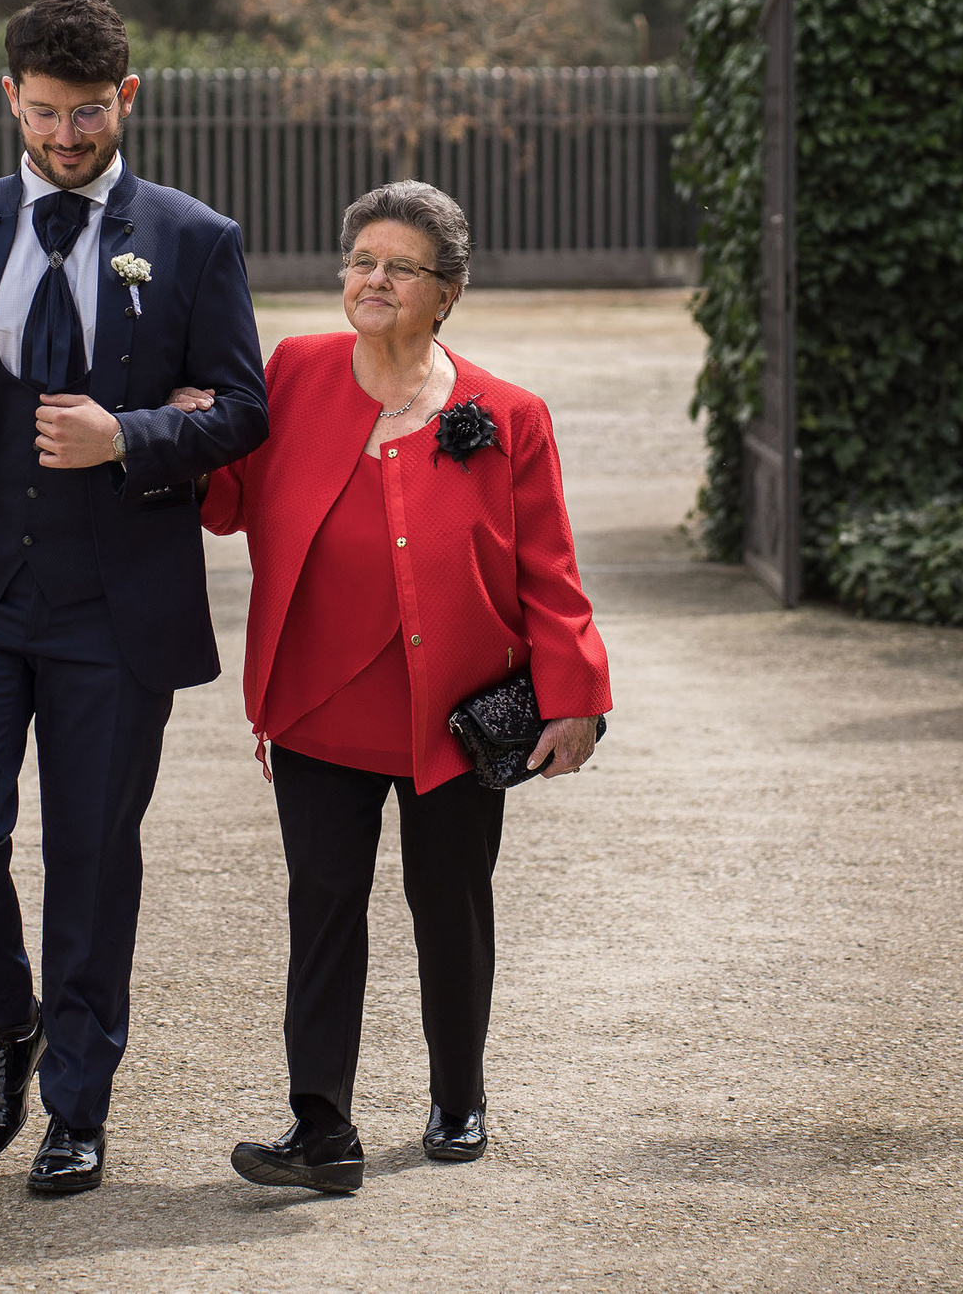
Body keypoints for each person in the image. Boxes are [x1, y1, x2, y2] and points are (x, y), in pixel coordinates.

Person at [0, 0, 267, 1195]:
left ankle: (78, 1104)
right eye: (43, 113)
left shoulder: (192, 238)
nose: (66, 137)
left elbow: (243, 411)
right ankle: (7, 1024)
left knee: (90, 854)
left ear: (126, 96)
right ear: (10, 100)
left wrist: (129, 435)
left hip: (111, 608)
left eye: (88, 113)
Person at [189, 179, 612, 1195]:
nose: (373, 280)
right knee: (323, 907)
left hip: (455, 715)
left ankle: (457, 1096)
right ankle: (319, 1129)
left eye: (400, 267)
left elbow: (547, 570)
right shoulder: (290, 372)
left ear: (446, 292)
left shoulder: (506, 414)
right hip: (320, 703)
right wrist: (188, 429)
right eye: (362, 261)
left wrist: (576, 696)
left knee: (450, 905)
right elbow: (224, 504)